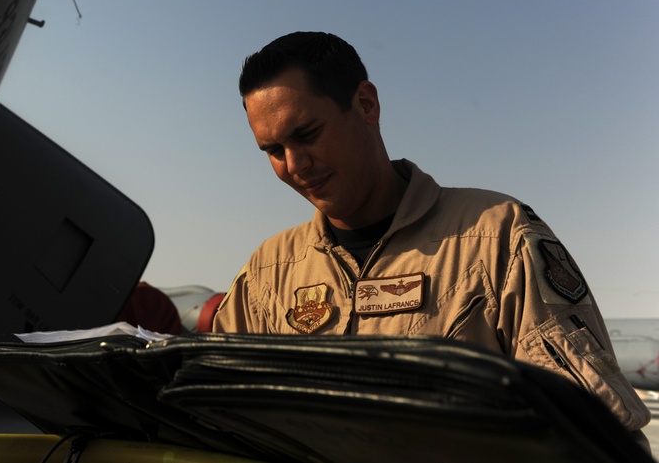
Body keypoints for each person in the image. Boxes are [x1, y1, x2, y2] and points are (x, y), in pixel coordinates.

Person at [212, 31, 650, 437]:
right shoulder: (267, 275)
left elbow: (601, 432)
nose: (295, 165)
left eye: (306, 134)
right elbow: (215, 419)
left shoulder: (498, 238)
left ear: (366, 105)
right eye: (273, 151)